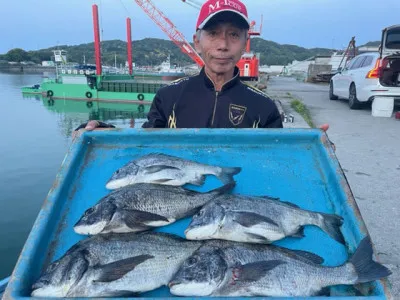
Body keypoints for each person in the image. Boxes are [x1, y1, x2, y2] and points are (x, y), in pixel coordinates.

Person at [75, 0, 331, 135]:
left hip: (233, 212)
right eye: (213, 33)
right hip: (178, 204)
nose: (222, 45)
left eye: (233, 35)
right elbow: (146, 146)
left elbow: (277, 158)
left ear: (244, 44)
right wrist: (105, 134)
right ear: (197, 42)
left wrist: (308, 146)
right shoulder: (168, 96)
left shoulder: (264, 107)